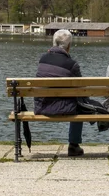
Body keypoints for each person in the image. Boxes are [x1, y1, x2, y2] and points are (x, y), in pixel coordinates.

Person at [35, 29, 84, 157]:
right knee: (80, 103)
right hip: (66, 108)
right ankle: (73, 145)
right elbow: (82, 87)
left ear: (53, 43)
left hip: (42, 106)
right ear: (68, 46)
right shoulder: (72, 64)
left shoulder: (42, 59)